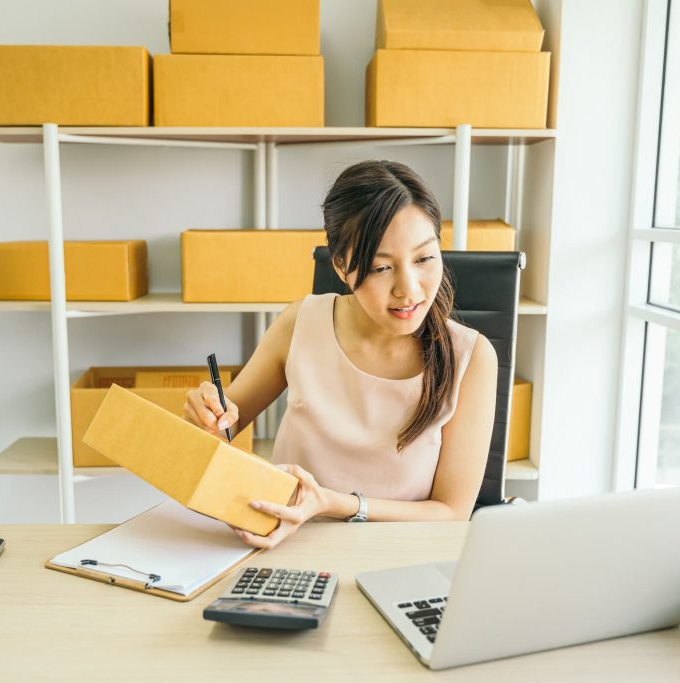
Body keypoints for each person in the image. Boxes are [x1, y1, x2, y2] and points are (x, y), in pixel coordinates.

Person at [184, 160, 498, 549]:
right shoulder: (300, 323)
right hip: (287, 545)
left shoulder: (472, 357)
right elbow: (222, 428)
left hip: (405, 552)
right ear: (341, 267)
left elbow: (452, 512)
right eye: (382, 267)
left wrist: (332, 503)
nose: (409, 289)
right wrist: (209, 413)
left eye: (424, 258)